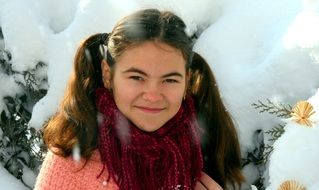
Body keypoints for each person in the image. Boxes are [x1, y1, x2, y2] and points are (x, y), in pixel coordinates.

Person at [34, 9, 244, 190]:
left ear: (186, 81)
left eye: (169, 80)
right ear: (108, 75)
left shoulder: (205, 149)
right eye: (136, 77)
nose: (152, 95)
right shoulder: (74, 165)